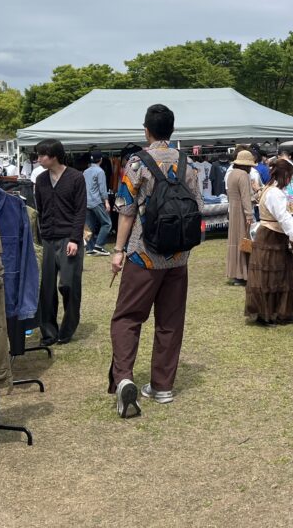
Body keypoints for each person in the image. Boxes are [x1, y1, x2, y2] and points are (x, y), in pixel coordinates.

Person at [110, 104, 204, 418]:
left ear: (146, 130)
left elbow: (126, 211)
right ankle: (162, 386)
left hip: (143, 255)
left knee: (127, 318)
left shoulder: (137, 163)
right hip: (178, 257)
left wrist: (118, 250)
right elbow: (198, 206)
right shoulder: (188, 163)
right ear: (172, 130)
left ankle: (124, 378)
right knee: (170, 322)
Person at [245, 159, 293, 327]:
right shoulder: (274, 193)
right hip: (270, 237)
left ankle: (283, 312)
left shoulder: (269, 189)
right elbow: (283, 217)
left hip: (274, 236)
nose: (289, 180)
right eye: (289, 176)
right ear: (284, 176)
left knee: (286, 276)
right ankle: (265, 315)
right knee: (269, 278)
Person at [33, 139, 87, 347]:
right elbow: (40, 209)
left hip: (69, 238)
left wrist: (74, 239)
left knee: (68, 285)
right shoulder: (41, 180)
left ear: (54, 156)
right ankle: (48, 332)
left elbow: (80, 210)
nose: (38, 159)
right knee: (46, 288)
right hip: (48, 237)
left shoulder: (76, 178)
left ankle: (67, 330)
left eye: (42, 155)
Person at [225, 149, 256, 286]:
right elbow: (245, 197)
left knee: (235, 241)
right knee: (244, 241)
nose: (250, 168)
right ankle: (243, 274)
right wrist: (249, 214)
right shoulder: (243, 175)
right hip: (242, 212)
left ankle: (235, 273)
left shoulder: (231, 174)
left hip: (233, 210)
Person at [84, 151, 113, 256]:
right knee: (107, 223)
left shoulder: (85, 171)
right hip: (96, 201)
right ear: (100, 159)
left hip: (86, 201)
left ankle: (89, 248)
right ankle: (98, 246)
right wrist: (106, 202)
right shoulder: (100, 171)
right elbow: (102, 188)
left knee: (89, 226)